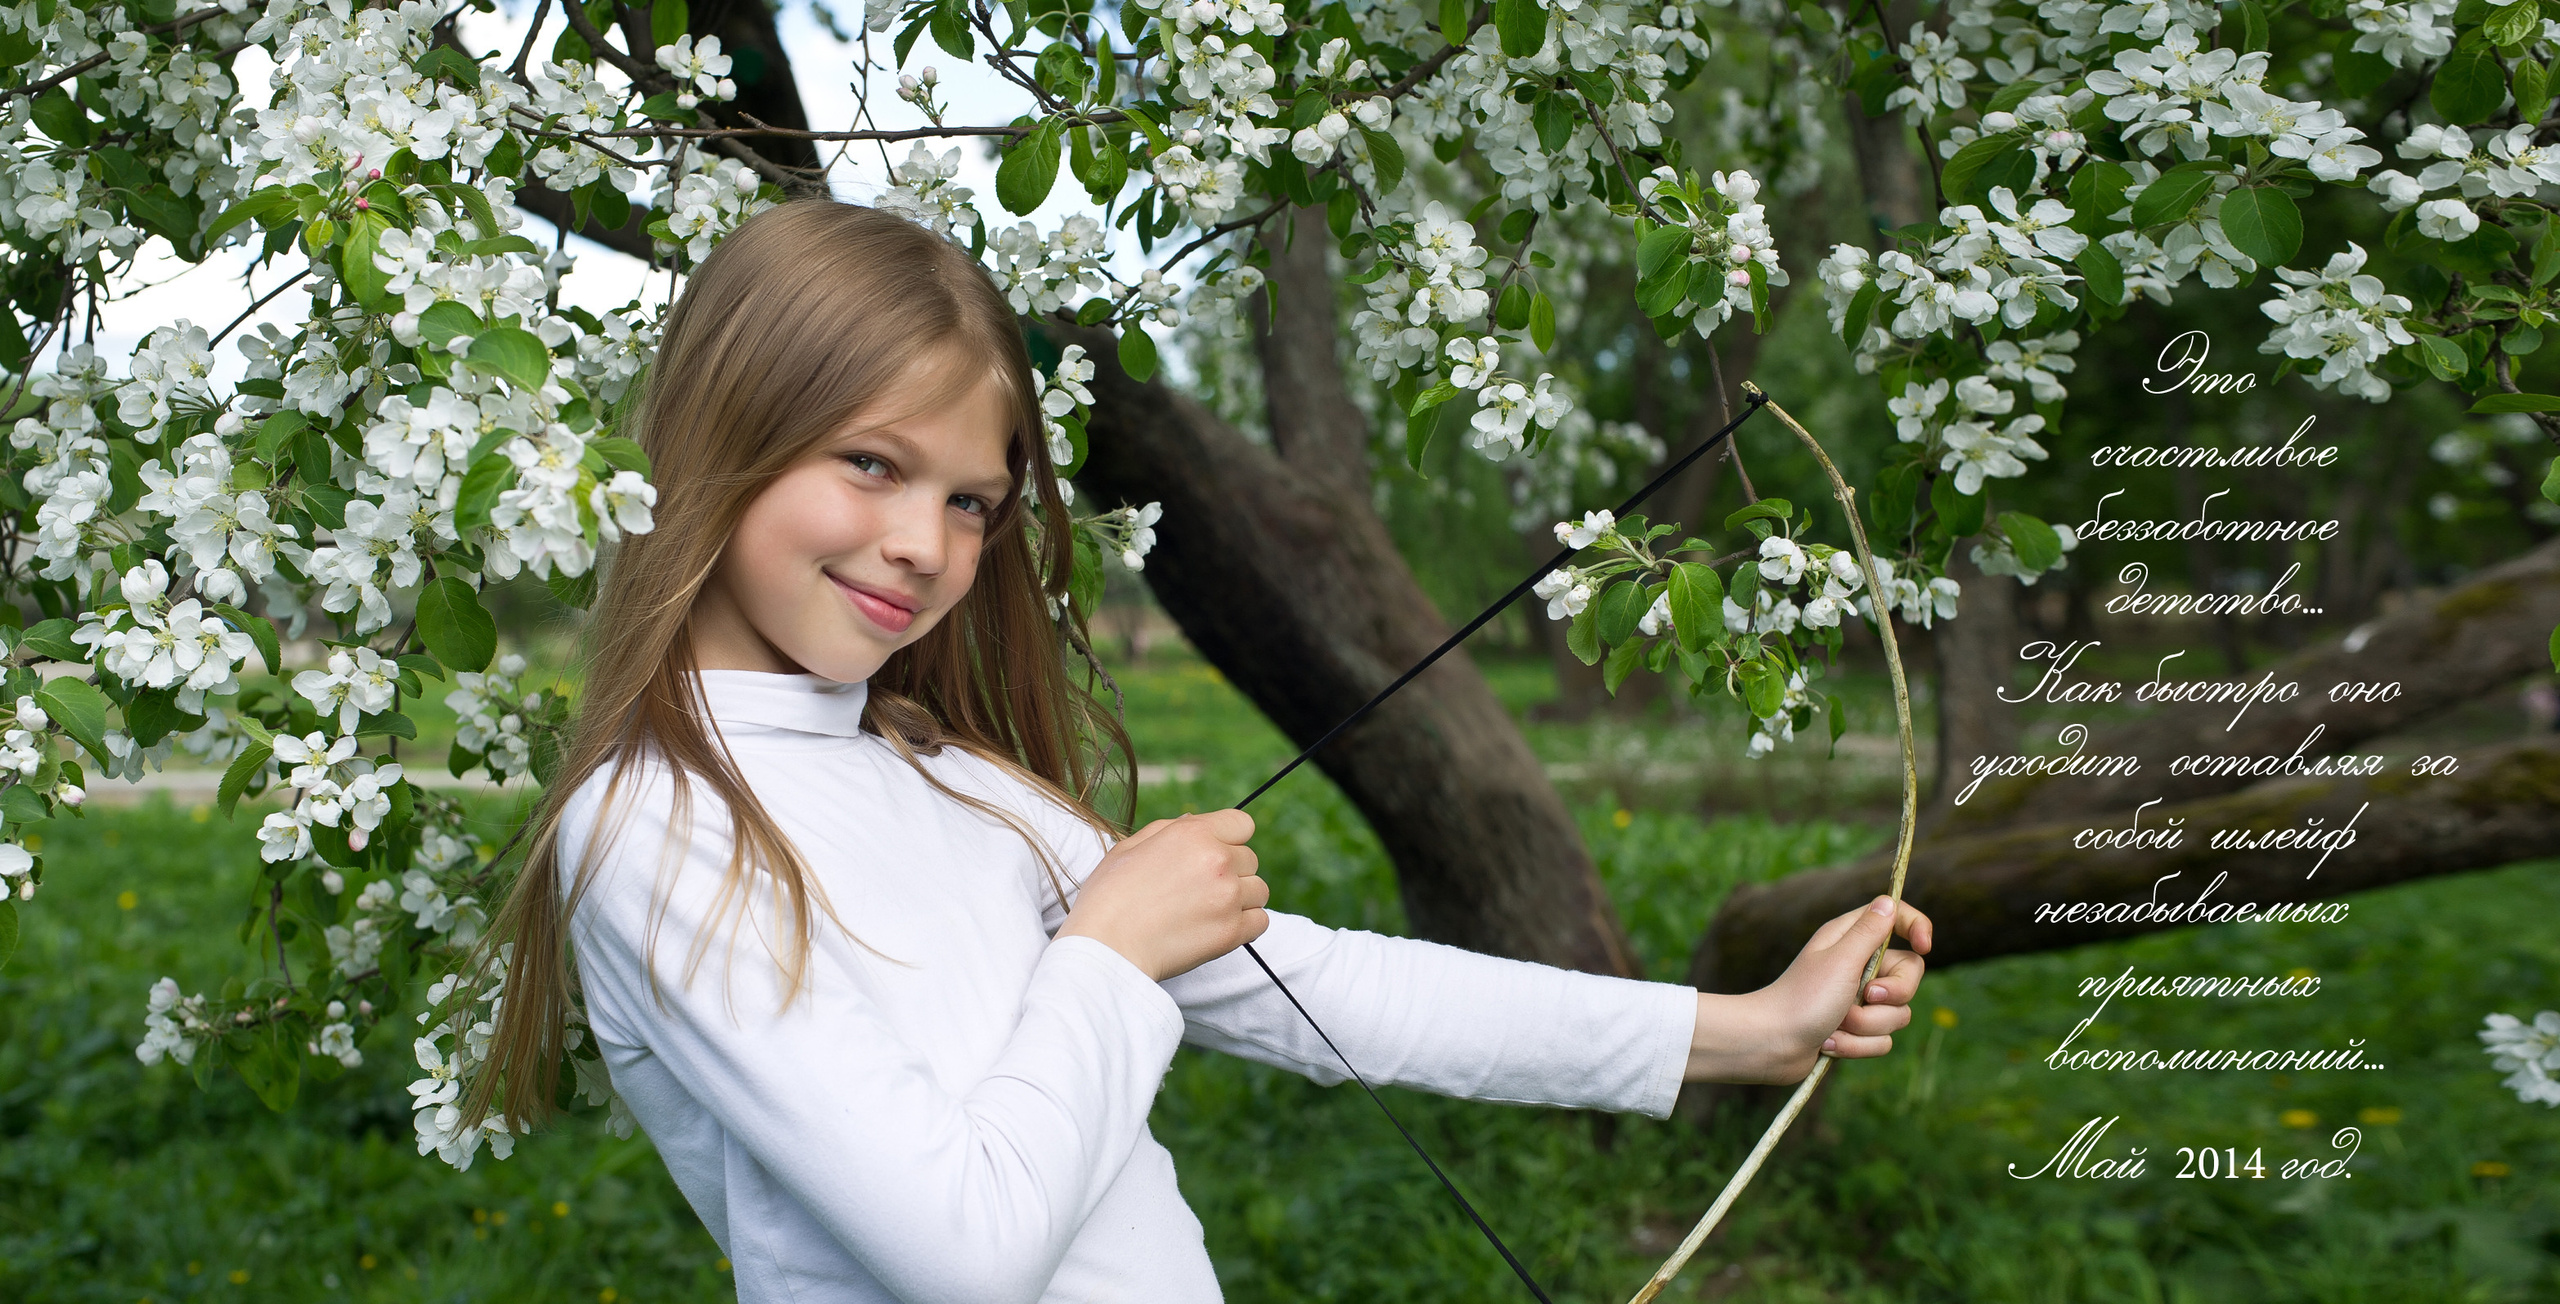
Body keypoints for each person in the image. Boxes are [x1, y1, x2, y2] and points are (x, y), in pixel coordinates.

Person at [469, 198, 1935, 1304]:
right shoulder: (658, 825)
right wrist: (1110, 952)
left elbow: (1330, 990)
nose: (924, 543)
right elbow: (962, 1252)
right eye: (871, 463)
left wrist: (1745, 1030)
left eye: (972, 502)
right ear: (725, 437)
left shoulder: (942, 774)